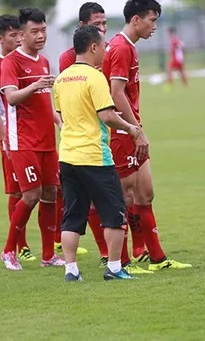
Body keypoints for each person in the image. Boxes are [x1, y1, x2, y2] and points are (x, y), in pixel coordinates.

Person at [103, 0, 192, 272]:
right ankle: (123, 261)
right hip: (121, 132)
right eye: (152, 21)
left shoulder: (129, 46)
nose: (155, 26)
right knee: (125, 197)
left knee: (145, 194)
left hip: (132, 131)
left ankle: (156, 259)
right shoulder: (120, 48)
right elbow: (116, 93)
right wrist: (135, 130)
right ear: (135, 19)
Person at [55, 25, 143, 281]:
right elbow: (106, 115)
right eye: (103, 46)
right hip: (94, 156)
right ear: (93, 47)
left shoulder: (61, 79)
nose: (106, 50)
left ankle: (71, 271)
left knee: (72, 216)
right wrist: (130, 128)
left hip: (67, 156)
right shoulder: (95, 78)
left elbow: (61, 116)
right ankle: (114, 268)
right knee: (115, 212)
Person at [0, 7, 65, 270]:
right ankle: (8, 250)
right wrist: (36, 85)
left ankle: (48, 255)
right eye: (34, 31)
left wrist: (58, 120)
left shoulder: (44, 61)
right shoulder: (11, 62)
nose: (40, 36)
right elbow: (12, 97)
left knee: (52, 192)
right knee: (31, 195)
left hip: (46, 139)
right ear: (22, 34)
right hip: (23, 140)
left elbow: (44, 101)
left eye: (43, 30)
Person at [56, 2, 110, 264]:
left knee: (74, 211)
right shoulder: (73, 61)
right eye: (96, 25)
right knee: (112, 205)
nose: (102, 29)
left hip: (69, 150)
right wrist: (131, 127)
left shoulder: (108, 51)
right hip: (93, 145)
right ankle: (112, 261)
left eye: (104, 23)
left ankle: (72, 268)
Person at [0, 14, 35, 262]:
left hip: (33, 135)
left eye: (19, 33)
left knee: (47, 190)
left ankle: (51, 246)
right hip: (12, 138)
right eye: (12, 35)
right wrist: (4, 137)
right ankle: (19, 246)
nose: (17, 39)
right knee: (18, 193)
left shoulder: (25, 61)